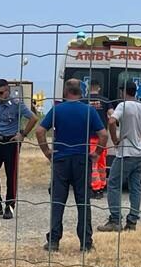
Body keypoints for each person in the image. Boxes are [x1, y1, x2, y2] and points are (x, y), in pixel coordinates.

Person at [35, 78, 107, 252]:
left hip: (60, 159)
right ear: (81, 92)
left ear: (66, 92)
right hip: (82, 159)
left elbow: (39, 130)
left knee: (58, 201)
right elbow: (103, 134)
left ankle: (53, 241)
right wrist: (96, 153)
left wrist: (47, 152)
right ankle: (85, 243)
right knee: (83, 202)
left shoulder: (58, 110)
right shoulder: (89, 110)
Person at [98, 81, 141, 232]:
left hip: (125, 152)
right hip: (139, 153)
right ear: (136, 92)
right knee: (135, 187)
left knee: (113, 184)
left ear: (123, 92)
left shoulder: (123, 106)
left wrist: (114, 139)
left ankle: (115, 219)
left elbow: (112, 121)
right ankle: (132, 220)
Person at [0, 78, 38, 220]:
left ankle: (9, 207)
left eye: (0, 93)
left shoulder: (17, 104)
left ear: (7, 91)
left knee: (10, 175)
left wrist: (22, 134)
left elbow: (33, 118)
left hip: (12, 141)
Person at [82, 80, 113, 199]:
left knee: (92, 164)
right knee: (102, 164)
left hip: (89, 137)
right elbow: (112, 115)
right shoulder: (105, 100)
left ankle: (94, 188)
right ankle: (102, 187)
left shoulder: (84, 101)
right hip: (102, 138)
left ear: (89, 88)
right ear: (99, 88)